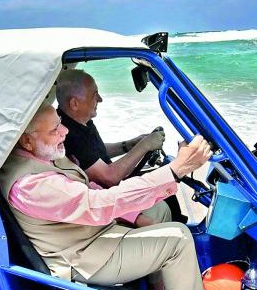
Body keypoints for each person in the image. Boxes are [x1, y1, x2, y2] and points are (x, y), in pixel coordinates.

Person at [0, 102, 219, 290]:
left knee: (160, 211)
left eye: (60, 124)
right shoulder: (30, 185)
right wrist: (175, 170)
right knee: (178, 237)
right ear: (26, 141)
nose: (65, 132)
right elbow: (96, 204)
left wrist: (136, 215)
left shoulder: (41, 156)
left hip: (85, 234)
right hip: (81, 256)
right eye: (54, 130)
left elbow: (87, 189)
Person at [56, 69, 186, 224]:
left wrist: (127, 145)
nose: (100, 99)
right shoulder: (69, 135)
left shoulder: (80, 121)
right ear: (74, 103)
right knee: (165, 187)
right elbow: (109, 178)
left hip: (109, 189)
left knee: (165, 184)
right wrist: (144, 146)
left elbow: (94, 153)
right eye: (94, 95)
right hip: (106, 197)